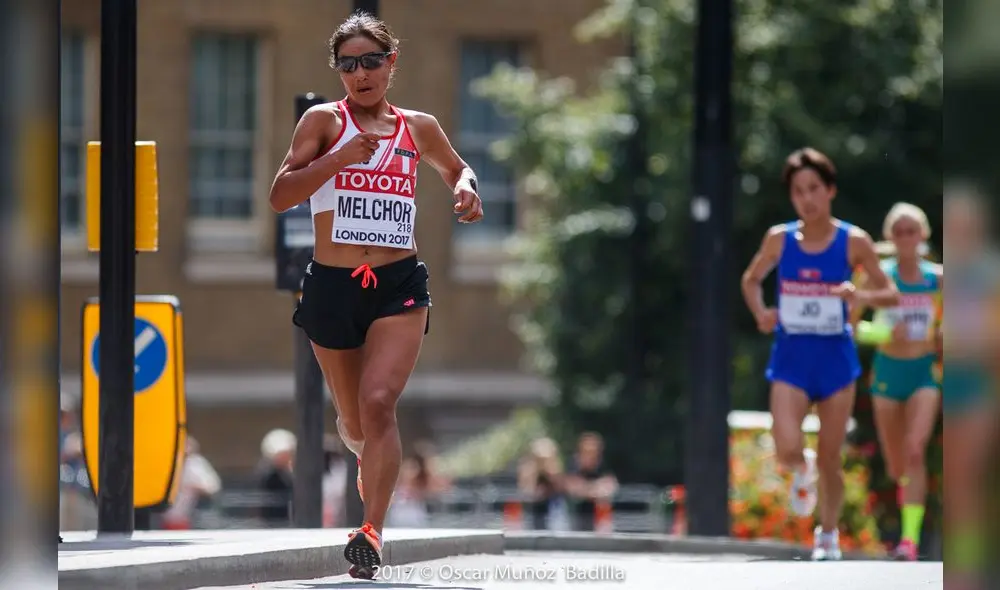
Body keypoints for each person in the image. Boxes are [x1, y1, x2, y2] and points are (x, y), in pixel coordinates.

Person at [267, 10, 484, 578]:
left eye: (370, 61)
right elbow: (279, 194)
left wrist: (465, 189)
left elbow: (458, 170)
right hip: (334, 286)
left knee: (380, 403)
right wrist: (338, 159)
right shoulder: (323, 121)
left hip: (398, 282)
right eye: (348, 64)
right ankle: (363, 449)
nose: (360, 74)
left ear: (392, 63)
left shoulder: (420, 126)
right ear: (338, 71)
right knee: (357, 426)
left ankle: (371, 530)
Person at [740, 148, 899, 561]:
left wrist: (858, 293)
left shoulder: (854, 241)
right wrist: (761, 312)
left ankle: (827, 536)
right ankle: (800, 465)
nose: (806, 199)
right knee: (786, 445)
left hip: (835, 359)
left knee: (832, 455)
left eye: (814, 188)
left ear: (830, 190)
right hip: (791, 356)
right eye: (797, 191)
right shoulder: (779, 238)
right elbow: (751, 279)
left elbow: (890, 293)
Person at [849, 203, 942, 561]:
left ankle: (909, 541)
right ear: (890, 237)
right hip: (887, 373)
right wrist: (883, 331)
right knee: (897, 464)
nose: (906, 238)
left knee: (915, 449)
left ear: (923, 235)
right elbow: (852, 325)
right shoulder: (877, 276)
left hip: (923, 374)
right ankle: (905, 508)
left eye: (912, 230)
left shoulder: (939, 279)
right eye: (899, 231)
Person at [940, 185, 998, 584]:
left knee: (969, 482)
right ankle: (964, 570)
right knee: (959, 486)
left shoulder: (989, 271)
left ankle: (970, 571)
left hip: (979, 384)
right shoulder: (944, 273)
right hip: (950, 381)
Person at [564, 432, 617, 532]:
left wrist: (587, 489)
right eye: (587, 452)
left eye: (594, 452)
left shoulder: (603, 466)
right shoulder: (572, 466)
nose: (591, 456)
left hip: (600, 522)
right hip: (575, 520)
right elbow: (573, 488)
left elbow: (610, 487)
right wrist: (595, 488)